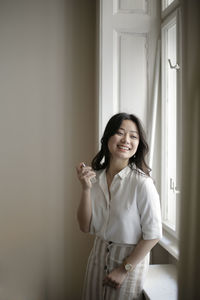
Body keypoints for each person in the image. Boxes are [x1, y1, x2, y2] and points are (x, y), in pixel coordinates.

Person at [76, 112, 162, 300]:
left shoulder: (142, 183)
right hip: (97, 258)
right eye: (120, 133)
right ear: (108, 137)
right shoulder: (95, 178)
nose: (126, 140)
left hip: (129, 263)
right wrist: (85, 189)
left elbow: (153, 235)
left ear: (139, 144)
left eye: (133, 136)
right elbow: (84, 226)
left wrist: (124, 270)